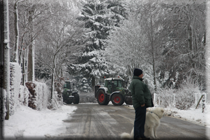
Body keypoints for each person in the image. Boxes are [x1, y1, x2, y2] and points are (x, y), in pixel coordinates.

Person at [129, 68, 153, 140]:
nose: (143, 75)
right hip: (140, 105)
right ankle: (137, 136)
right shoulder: (138, 82)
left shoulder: (137, 81)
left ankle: (141, 135)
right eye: (142, 73)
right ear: (139, 74)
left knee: (141, 121)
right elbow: (139, 93)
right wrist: (142, 103)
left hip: (140, 104)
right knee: (139, 121)